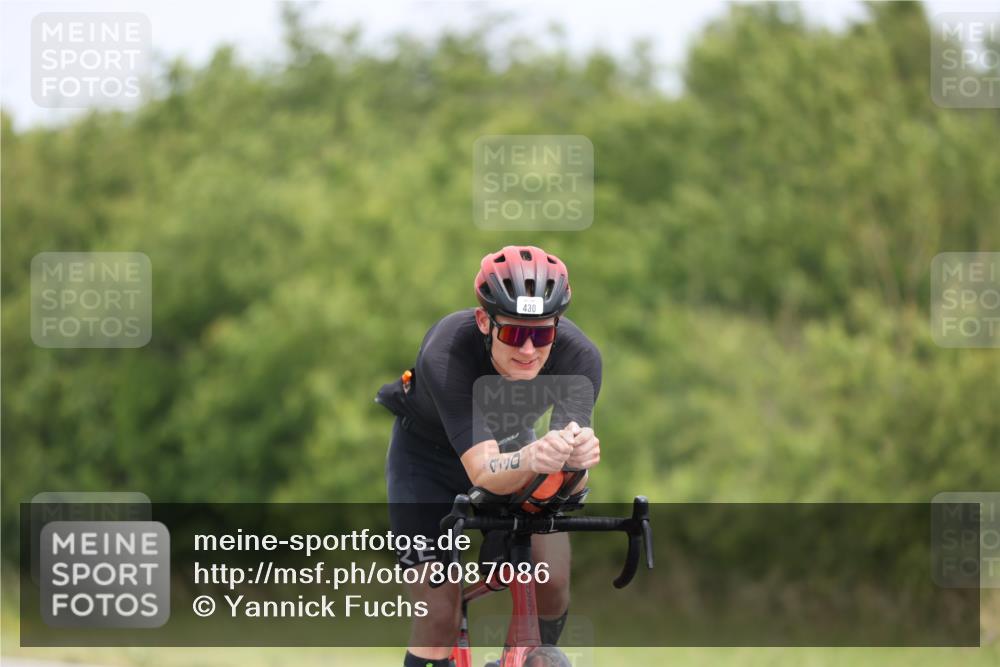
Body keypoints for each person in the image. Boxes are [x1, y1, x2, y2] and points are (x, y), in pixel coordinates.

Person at [376, 245, 602, 667]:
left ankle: (533, 655)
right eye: (515, 333)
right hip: (426, 461)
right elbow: (482, 471)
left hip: (515, 446)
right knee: (438, 614)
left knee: (550, 580)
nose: (530, 350)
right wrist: (537, 457)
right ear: (485, 321)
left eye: (544, 333)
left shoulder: (580, 358)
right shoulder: (447, 350)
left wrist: (578, 464)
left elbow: (565, 477)